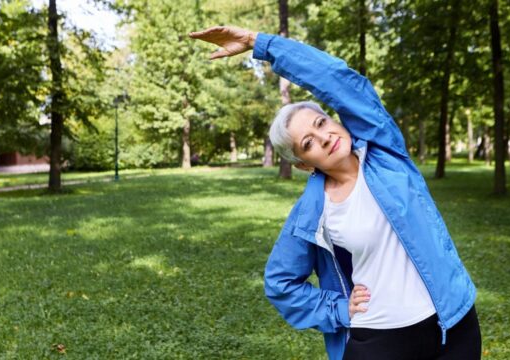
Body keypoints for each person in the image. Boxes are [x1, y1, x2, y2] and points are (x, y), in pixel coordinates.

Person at [189, 26, 481, 360]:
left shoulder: (386, 155)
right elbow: (280, 283)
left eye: (321, 123)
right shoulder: (313, 212)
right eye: (308, 143)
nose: (324, 137)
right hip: (381, 342)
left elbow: (339, 81)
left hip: (454, 327)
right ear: (302, 163)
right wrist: (339, 309)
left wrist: (260, 43)